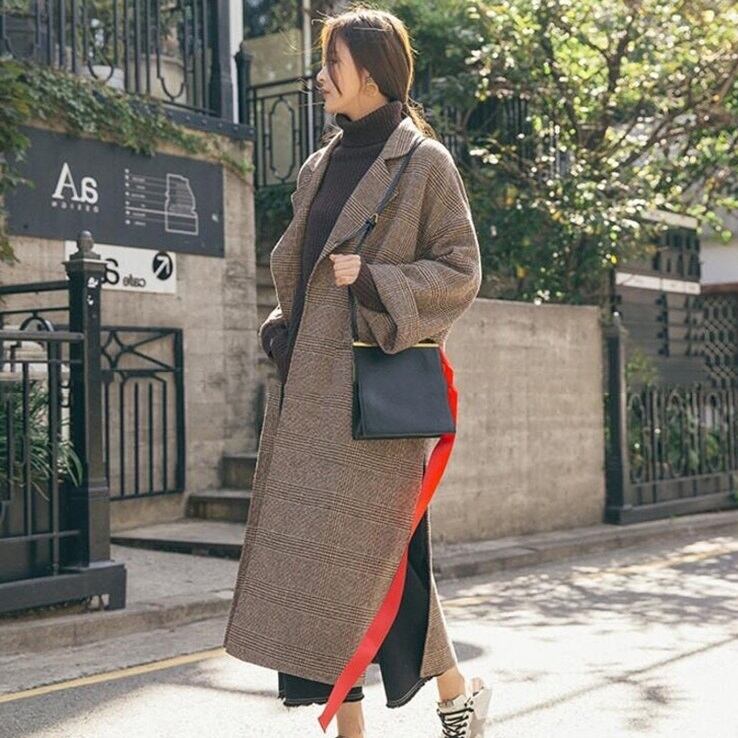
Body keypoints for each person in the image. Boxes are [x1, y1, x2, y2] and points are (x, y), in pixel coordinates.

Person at [223, 7, 492, 738]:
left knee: (385, 562)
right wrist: (279, 328)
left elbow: (461, 271)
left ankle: (453, 694)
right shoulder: (318, 167)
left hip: (373, 404)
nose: (320, 77)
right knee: (315, 569)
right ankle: (375, 720)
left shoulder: (424, 164)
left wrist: (375, 280)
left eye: (332, 64)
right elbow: (303, 273)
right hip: (308, 398)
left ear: (369, 73)